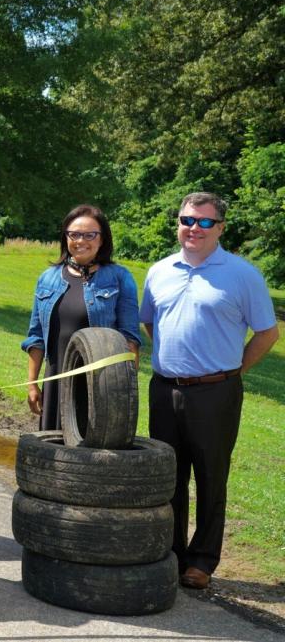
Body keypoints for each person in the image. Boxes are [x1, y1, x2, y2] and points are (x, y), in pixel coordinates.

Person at [140, 192, 278, 591]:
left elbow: (268, 333)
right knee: (169, 476)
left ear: (219, 227)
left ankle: (202, 560)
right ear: (178, 223)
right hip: (164, 389)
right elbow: (152, 324)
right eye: (187, 220)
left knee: (211, 476)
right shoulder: (159, 271)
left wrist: (233, 370)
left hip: (216, 392)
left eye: (203, 222)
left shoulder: (242, 274)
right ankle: (172, 552)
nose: (193, 229)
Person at [21, 204, 141, 430]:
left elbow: (130, 339)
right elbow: (35, 338)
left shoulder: (119, 278)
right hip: (56, 382)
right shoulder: (48, 278)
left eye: (90, 235)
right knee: (54, 455)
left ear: (102, 239)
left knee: (93, 458)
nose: (81, 240)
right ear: (65, 237)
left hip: (101, 387)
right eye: (74, 234)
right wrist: (32, 385)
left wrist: (126, 393)